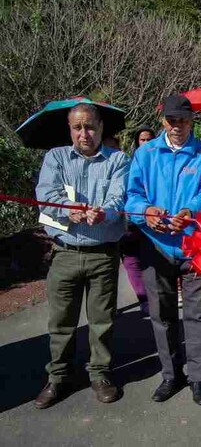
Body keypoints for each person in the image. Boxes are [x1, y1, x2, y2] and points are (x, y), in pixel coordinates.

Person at [34, 103, 130, 409]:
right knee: (61, 321)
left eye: (90, 126)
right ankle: (58, 376)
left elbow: (120, 196)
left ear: (101, 127)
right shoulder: (56, 157)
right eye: (77, 127)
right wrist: (73, 211)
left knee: (102, 320)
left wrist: (105, 212)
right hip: (64, 253)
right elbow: (46, 196)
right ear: (70, 130)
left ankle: (100, 373)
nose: (84, 133)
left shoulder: (118, 159)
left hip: (103, 254)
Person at [126, 95, 201, 406]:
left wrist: (190, 211)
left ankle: (199, 377)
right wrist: (146, 210)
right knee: (162, 315)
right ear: (162, 119)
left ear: (192, 121)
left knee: (198, 314)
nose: (177, 126)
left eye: (183, 120)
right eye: (171, 120)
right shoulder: (145, 154)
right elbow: (132, 196)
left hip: (194, 247)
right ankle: (170, 374)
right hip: (155, 246)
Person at [120, 125, 156, 315]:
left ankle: (157, 298)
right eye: (142, 140)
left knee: (151, 260)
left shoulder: (160, 160)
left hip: (155, 221)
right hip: (131, 221)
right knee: (131, 261)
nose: (146, 143)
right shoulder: (128, 163)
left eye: (150, 139)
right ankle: (144, 299)